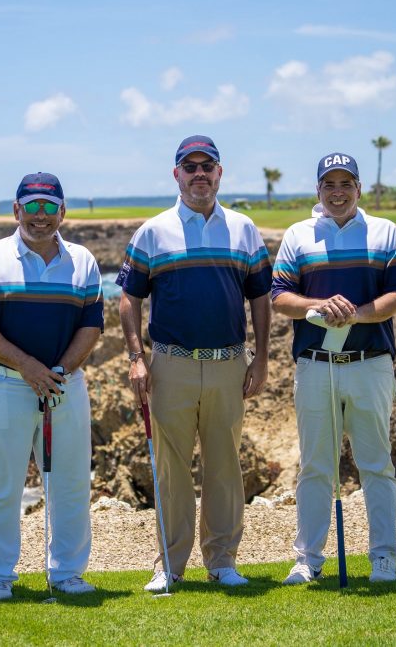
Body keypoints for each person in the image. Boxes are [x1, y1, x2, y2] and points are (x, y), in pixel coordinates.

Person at [117, 135, 272, 591]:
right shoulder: (153, 232)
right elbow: (129, 299)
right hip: (171, 365)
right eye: (191, 167)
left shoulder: (243, 229)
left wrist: (262, 359)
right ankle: (170, 565)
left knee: (224, 467)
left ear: (219, 173)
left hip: (229, 363)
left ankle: (222, 562)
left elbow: (261, 298)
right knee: (172, 471)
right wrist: (136, 357)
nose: (199, 174)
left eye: (207, 166)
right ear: (177, 174)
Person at [271, 152, 396, 585]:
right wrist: (321, 305)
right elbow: (280, 298)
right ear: (318, 190)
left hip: (371, 363)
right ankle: (308, 559)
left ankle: (384, 558)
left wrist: (353, 314)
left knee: (376, 465)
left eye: (345, 184)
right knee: (316, 466)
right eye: (329, 185)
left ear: (358, 188)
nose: (338, 193)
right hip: (316, 365)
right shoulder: (298, 235)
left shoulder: (384, 232)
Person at [0, 172, 103, 602]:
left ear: (62, 211)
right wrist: (28, 367)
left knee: (71, 482)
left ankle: (67, 573)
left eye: (49, 207)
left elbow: (91, 326)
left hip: (65, 386)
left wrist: (56, 372)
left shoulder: (83, 261)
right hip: (3, 384)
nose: (40, 215)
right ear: (16, 210)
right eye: (32, 206)